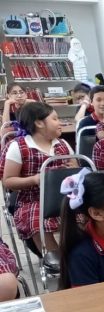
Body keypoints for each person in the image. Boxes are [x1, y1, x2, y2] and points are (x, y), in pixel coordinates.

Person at [2, 102, 74, 255]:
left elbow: (75, 170)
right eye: (55, 119)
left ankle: (79, 255)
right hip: (32, 199)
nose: (60, 123)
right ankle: (54, 259)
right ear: (39, 123)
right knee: (36, 220)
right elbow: (8, 181)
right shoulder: (19, 146)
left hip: (65, 196)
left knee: (83, 215)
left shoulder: (62, 144)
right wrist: (35, 179)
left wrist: (73, 170)